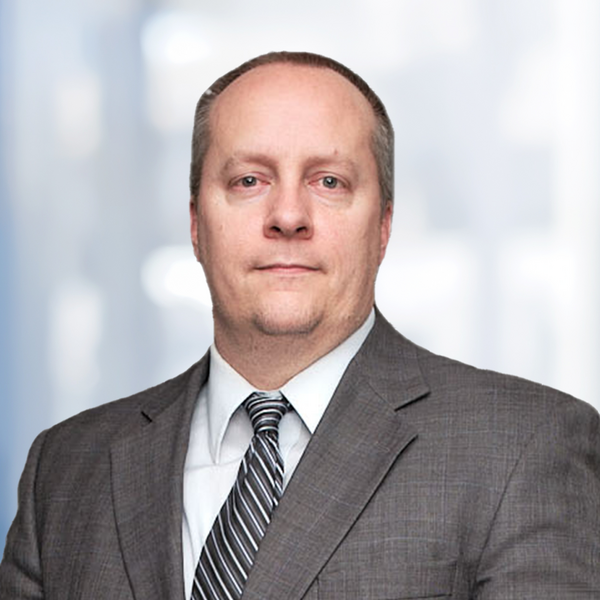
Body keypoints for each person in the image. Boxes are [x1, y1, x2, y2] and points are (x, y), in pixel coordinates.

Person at [1, 51, 599, 600]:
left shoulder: (524, 446)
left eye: (329, 182)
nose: (288, 216)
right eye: (249, 181)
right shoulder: (65, 467)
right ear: (196, 224)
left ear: (384, 227)